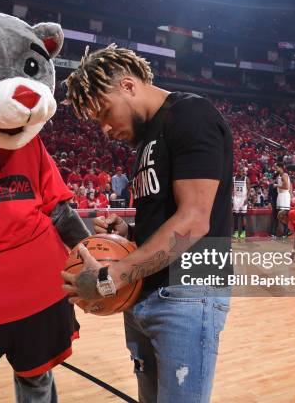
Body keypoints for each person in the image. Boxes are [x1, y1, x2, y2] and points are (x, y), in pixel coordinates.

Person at [62, 44, 233, 403]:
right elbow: (168, 218)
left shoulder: (190, 114)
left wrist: (111, 277)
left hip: (188, 291)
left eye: (105, 113)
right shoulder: (148, 140)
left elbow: (193, 222)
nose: (106, 129)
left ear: (127, 86)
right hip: (147, 291)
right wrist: (129, 234)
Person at [232, 166, 250, 239]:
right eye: (239, 170)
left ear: (243, 171)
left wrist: (247, 199)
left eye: (242, 171)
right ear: (237, 171)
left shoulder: (246, 179)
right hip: (236, 198)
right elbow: (231, 189)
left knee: (243, 216)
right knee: (235, 216)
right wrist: (232, 198)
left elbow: (249, 189)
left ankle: (243, 232)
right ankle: (236, 232)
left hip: (243, 198)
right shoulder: (233, 178)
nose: (240, 172)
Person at [275, 162, 291, 236]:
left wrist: (277, 185)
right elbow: (290, 186)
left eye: (277, 168)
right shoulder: (279, 175)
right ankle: (286, 230)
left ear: (281, 168)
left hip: (284, 195)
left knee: (283, 214)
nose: (276, 169)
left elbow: (287, 187)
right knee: (281, 215)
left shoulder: (284, 175)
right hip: (281, 195)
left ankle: (286, 231)